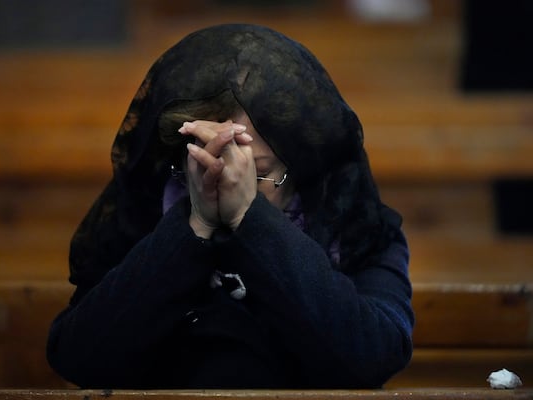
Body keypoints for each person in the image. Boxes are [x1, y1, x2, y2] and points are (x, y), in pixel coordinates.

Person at [46, 23, 414, 389]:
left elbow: (373, 356)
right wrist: (195, 227)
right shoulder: (137, 216)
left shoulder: (355, 229)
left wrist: (248, 219)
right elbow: (79, 357)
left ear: (299, 166)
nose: (227, 183)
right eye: (206, 164)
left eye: (255, 173)